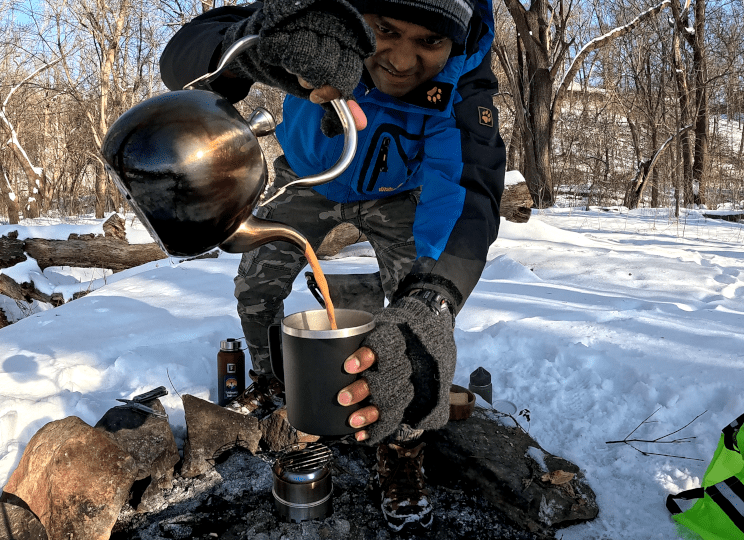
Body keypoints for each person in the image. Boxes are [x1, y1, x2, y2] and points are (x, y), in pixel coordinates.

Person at [159, 0, 506, 530]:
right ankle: (275, 384)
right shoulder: (327, 16)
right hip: (306, 181)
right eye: (385, 29)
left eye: (429, 43)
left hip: (398, 195)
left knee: (411, 327)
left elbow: (464, 188)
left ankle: (401, 448)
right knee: (256, 286)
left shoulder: (461, 82)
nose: (403, 60)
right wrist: (253, 45)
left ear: (455, 43)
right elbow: (185, 60)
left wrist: (434, 295)